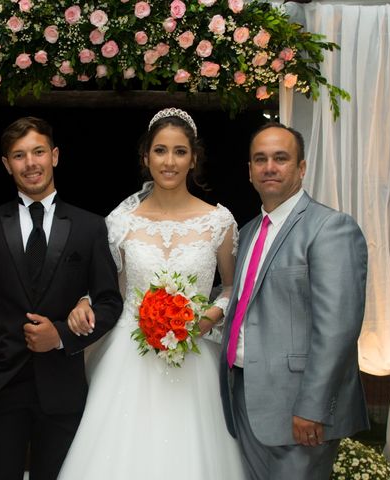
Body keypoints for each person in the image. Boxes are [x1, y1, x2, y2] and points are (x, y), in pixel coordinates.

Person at [57, 108, 246, 478]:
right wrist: (83, 302)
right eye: (160, 151)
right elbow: (107, 288)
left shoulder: (219, 222)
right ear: (146, 157)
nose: (169, 161)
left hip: (193, 357)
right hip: (130, 355)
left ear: (194, 158)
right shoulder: (120, 222)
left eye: (179, 151)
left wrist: (210, 317)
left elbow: (231, 285)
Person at [0, 117, 123, 480]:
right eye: (19, 155)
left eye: (38, 152)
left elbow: (110, 302)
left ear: (55, 156)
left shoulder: (89, 227)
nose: (30, 163)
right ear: (6, 164)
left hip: (61, 388)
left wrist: (62, 335)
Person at [219, 123, 369, 479]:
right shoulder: (249, 231)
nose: (269, 167)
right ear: (250, 171)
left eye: (281, 158)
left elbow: (338, 329)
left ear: (301, 168)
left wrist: (313, 407)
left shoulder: (330, 228)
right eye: (261, 159)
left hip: (299, 408)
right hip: (244, 394)